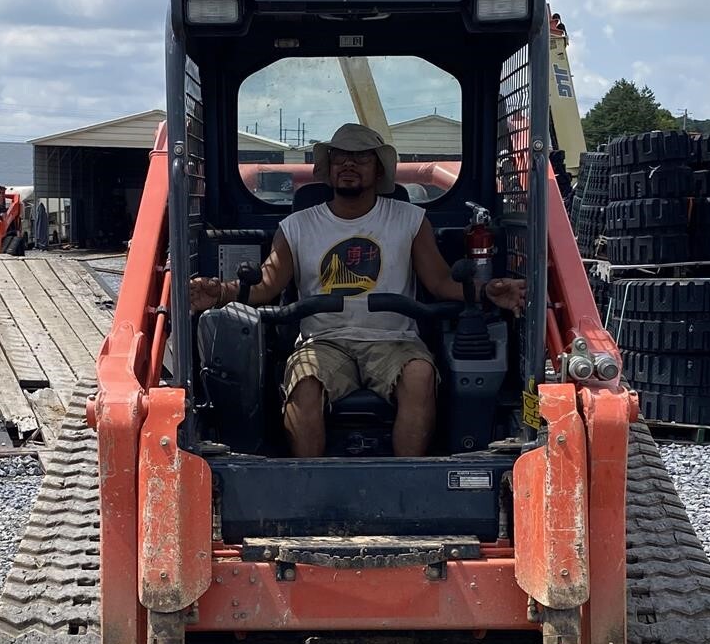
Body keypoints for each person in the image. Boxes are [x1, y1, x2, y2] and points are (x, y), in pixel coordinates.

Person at [188, 122, 526, 457]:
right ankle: (310, 489)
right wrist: (218, 292)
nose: (349, 165)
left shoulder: (409, 219)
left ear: (378, 170)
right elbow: (264, 286)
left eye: (361, 158)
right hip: (323, 342)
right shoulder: (296, 227)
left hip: (395, 342)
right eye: (340, 158)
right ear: (329, 168)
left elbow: (439, 282)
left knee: (420, 375)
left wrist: (487, 292)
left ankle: (408, 486)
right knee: (304, 382)